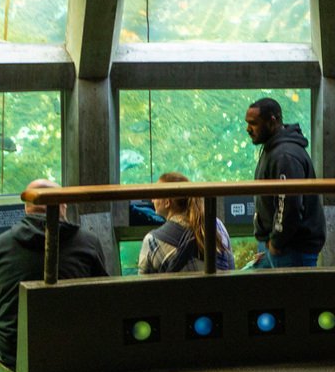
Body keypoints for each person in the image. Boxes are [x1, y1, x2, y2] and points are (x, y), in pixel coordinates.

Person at [0, 178, 113, 372]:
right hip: (73, 345)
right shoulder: (88, 243)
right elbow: (102, 297)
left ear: (26, 208)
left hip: (16, 350)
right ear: (62, 206)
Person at [244, 97, 324, 267]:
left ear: (272, 121)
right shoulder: (273, 149)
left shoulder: (285, 156)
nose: (248, 129)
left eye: (253, 123)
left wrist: (276, 242)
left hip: (290, 249)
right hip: (278, 246)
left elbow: (289, 204)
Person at [137, 172, 234, 274]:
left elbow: (142, 287)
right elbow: (231, 269)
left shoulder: (152, 241)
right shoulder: (217, 226)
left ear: (167, 202)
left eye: (156, 194)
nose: (152, 200)